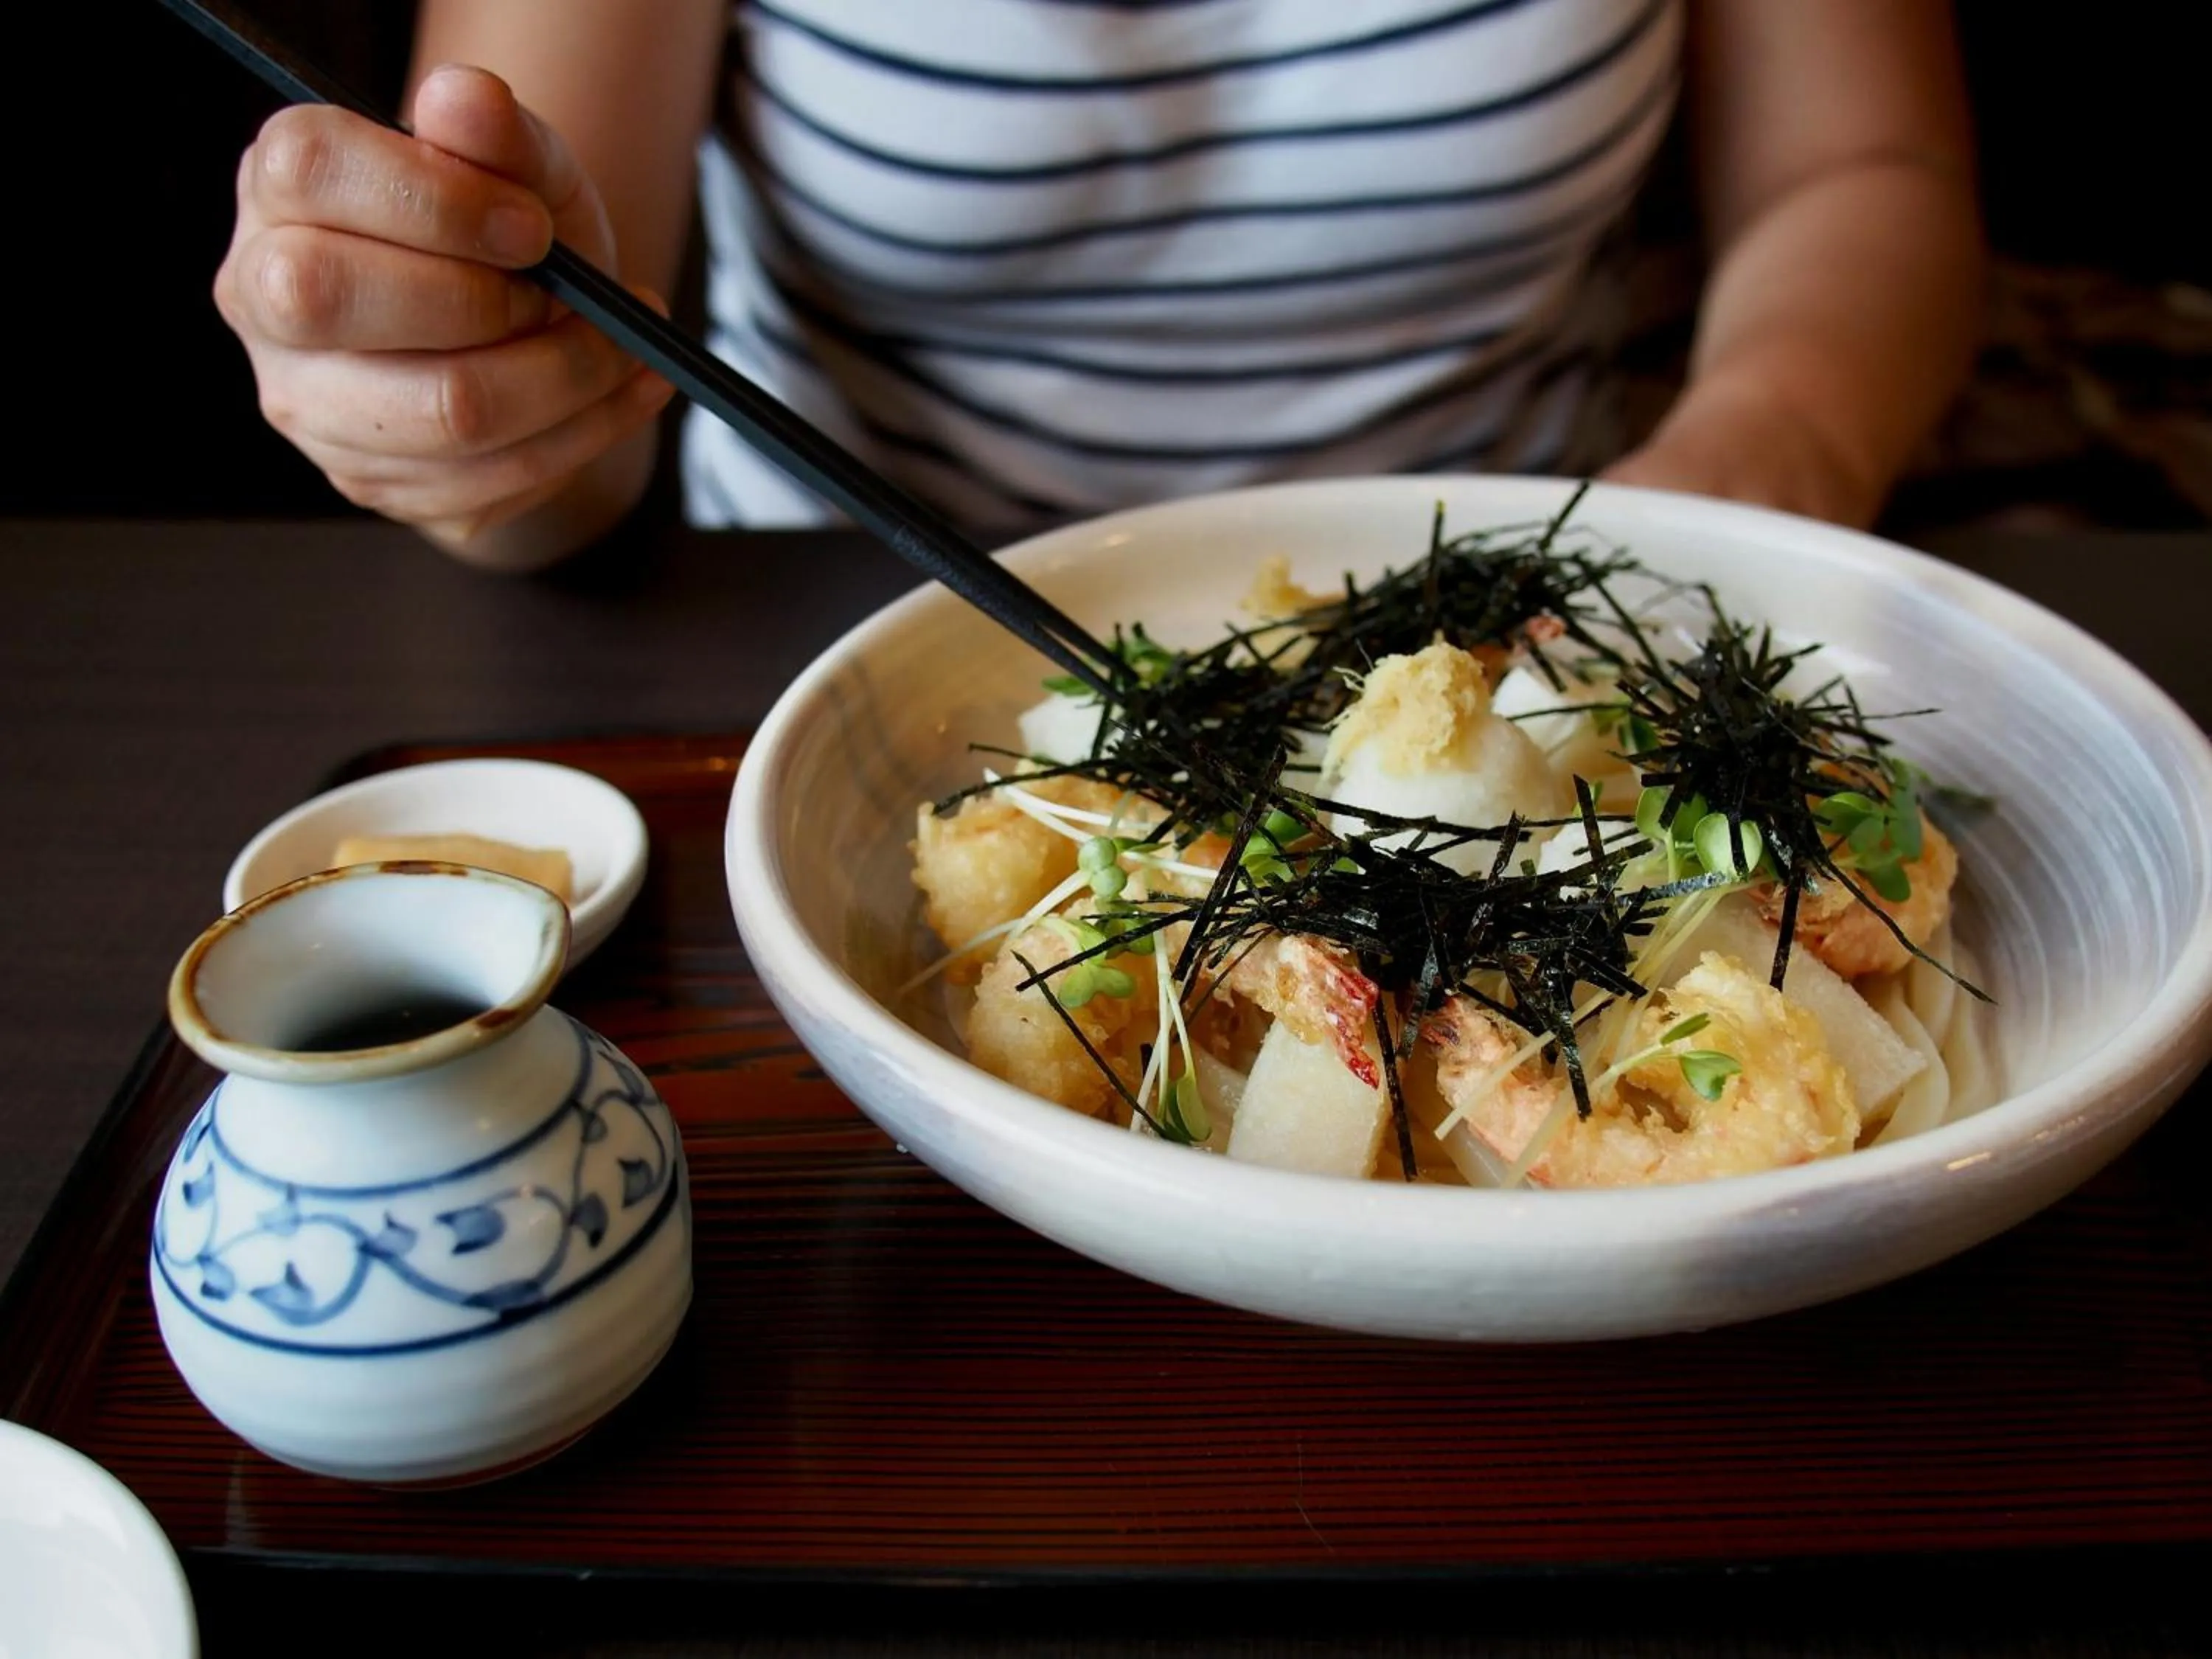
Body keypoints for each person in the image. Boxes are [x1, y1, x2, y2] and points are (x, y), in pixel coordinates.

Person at [213, 0, 1981, 572]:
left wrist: (1726, 498)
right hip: (833, 647)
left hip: (1532, 595)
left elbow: (1863, 177)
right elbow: (569, 455)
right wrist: (486, 406)